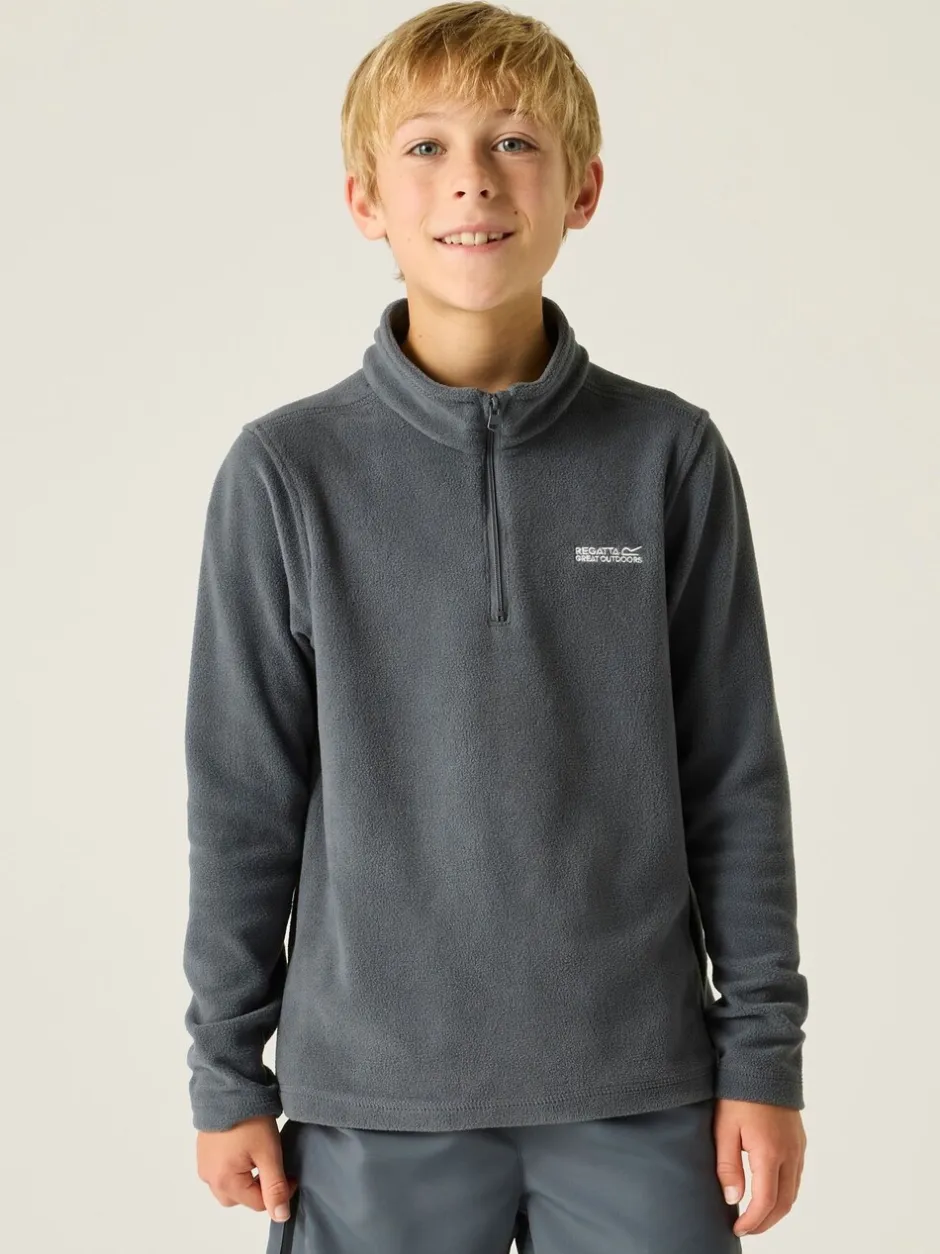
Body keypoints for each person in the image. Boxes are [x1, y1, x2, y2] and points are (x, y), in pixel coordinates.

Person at [182, 4, 809, 1250]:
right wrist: (225, 1073)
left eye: (516, 142)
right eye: (425, 146)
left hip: (642, 1086)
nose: (472, 177)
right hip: (375, 1099)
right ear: (365, 200)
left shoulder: (667, 456)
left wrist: (764, 1056)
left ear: (583, 191)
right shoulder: (286, 473)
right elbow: (243, 798)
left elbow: (734, 776)